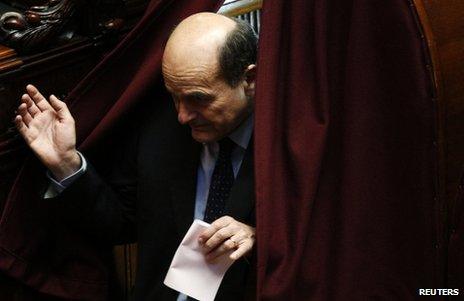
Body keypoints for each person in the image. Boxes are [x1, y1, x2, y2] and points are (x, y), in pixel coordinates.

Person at [14, 12, 258, 300]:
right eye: (174, 96)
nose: (182, 115)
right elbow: (120, 225)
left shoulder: (290, 144)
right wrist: (65, 162)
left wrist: (259, 235)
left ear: (249, 80)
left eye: (198, 98)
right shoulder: (159, 125)